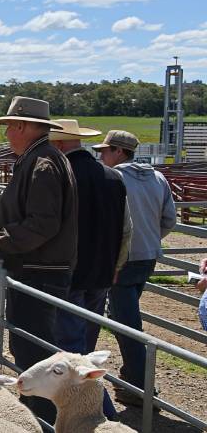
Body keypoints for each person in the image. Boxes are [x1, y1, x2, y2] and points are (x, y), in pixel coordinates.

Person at [0, 96, 77, 423]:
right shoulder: (44, 159)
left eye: (11, 127)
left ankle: (40, 422)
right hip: (41, 268)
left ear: (24, 127)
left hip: (39, 271)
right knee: (32, 348)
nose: (7, 134)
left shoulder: (42, 164)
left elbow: (42, 222)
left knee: (34, 353)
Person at [49, 119, 129, 420]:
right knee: (86, 347)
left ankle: (100, 415)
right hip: (102, 274)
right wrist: (116, 266)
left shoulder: (61, 176)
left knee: (74, 354)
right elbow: (125, 230)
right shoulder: (113, 177)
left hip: (68, 274)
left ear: (58, 145)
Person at [94, 129, 177, 406]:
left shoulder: (114, 178)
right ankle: (133, 376)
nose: (101, 156)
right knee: (124, 317)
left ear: (119, 152)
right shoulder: (158, 177)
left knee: (127, 323)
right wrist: (150, 240)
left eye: (105, 151)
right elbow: (169, 220)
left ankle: (142, 387)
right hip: (147, 257)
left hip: (121, 259)